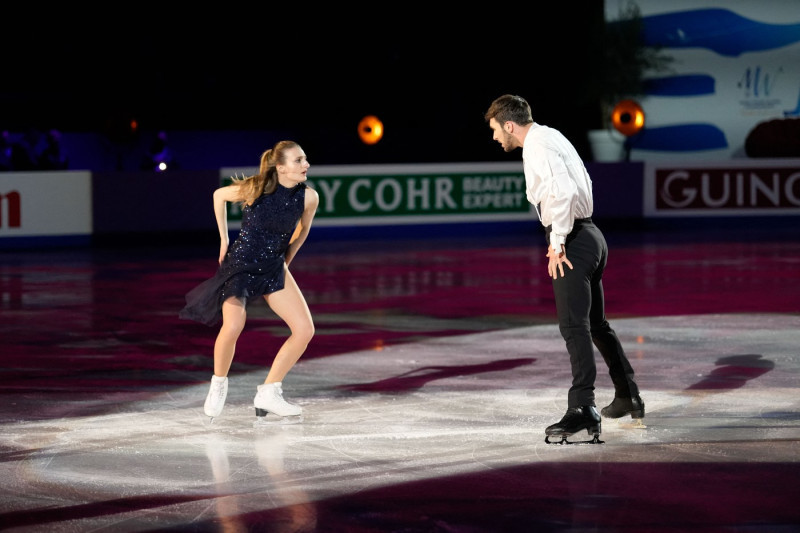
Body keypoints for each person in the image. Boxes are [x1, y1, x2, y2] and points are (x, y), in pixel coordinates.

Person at [484, 95, 644, 443]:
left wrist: (557, 243)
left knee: (574, 325)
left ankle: (583, 407)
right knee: (596, 324)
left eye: (496, 130)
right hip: (591, 234)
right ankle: (627, 394)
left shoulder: (536, 146)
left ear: (509, 125)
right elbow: (583, 183)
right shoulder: (552, 136)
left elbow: (564, 192)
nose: (496, 138)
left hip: (573, 239)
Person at [179, 140, 319, 422]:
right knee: (233, 325)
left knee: (304, 330)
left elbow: (303, 230)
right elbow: (219, 195)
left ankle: (269, 391)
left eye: (305, 160)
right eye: (299, 160)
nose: (306, 165)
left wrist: (286, 257)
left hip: (272, 265)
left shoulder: (309, 197)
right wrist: (224, 239)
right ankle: (219, 383)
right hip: (240, 265)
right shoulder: (256, 187)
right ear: (280, 167)